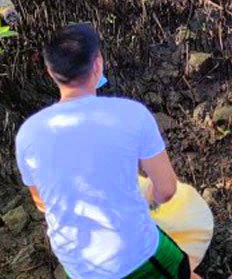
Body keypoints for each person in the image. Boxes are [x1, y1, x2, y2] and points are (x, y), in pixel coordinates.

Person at [15, 23, 193, 279]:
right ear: (97, 64)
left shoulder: (27, 134)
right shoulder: (131, 114)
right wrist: (148, 202)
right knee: (179, 266)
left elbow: (41, 203)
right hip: (131, 258)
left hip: (79, 267)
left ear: (50, 71)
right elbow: (166, 189)